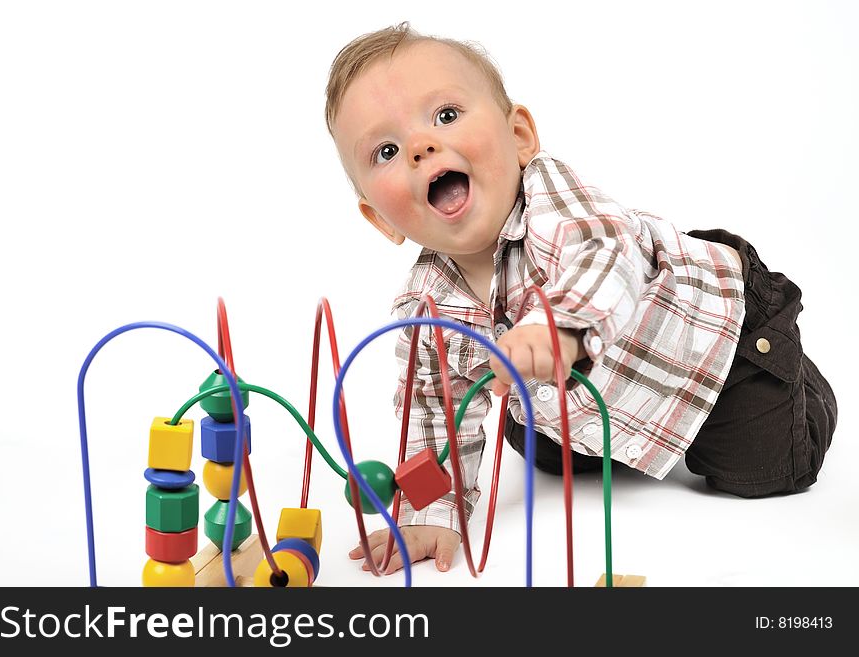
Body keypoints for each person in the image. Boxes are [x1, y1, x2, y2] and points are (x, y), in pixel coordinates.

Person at [324, 23, 837, 575]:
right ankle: (618, 434)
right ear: (380, 219)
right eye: (386, 150)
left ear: (518, 136)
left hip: (715, 340)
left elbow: (605, 254)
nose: (422, 147)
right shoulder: (424, 305)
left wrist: (560, 328)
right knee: (539, 451)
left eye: (446, 115)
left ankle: (793, 372)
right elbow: (434, 410)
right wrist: (431, 513)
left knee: (764, 469)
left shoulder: (554, 202)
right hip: (589, 396)